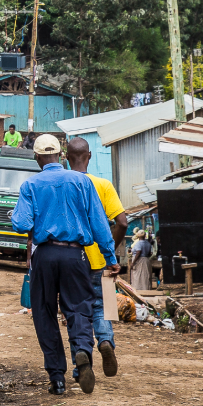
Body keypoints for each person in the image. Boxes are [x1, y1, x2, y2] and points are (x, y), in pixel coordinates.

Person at [10, 134, 118, 396]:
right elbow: (100, 224)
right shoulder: (83, 182)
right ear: (60, 155)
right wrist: (110, 258)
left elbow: (21, 223)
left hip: (45, 255)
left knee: (45, 313)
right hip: (76, 256)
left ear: (37, 158)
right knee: (80, 308)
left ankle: (57, 378)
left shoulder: (31, 185)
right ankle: (82, 353)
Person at [66, 137, 129, 379]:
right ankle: (105, 341)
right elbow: (122, 221)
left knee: (76, 310)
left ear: (66, 157)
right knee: (103, 306)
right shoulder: (103, 185)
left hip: (72, 260)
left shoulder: (65, 184)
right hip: (102, 261)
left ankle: (81, 360)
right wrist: (110, 249)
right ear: (89, 156)